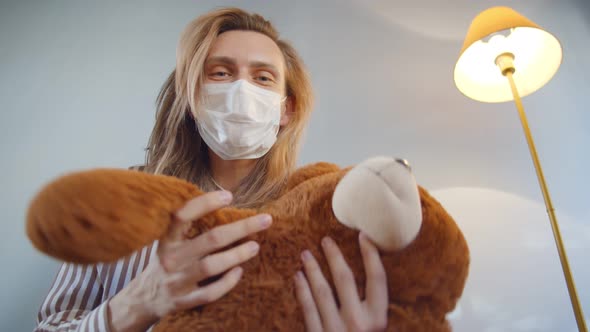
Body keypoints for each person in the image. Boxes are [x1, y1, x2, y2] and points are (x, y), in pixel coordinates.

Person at [35, 7, 388, 332]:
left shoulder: (318, 215)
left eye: (263, 78)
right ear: (192, 98)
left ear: (287, 109)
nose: (241, 90)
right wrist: (137, 302)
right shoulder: (115, 203)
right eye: (221, 73)